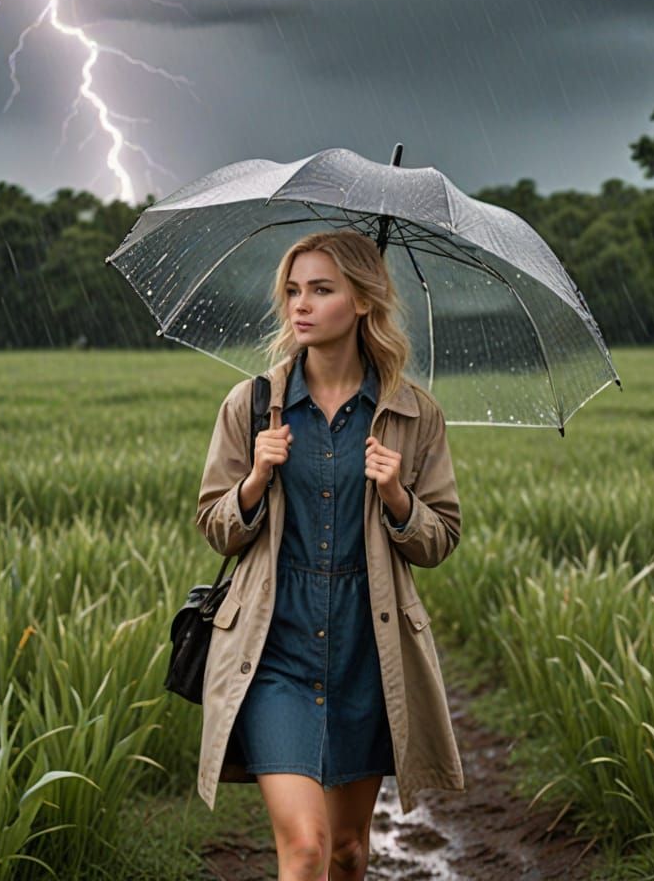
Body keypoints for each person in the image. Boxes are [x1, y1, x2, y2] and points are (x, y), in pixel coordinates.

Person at [194, 229, 465, 881]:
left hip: (365, 656)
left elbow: (441, 537)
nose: (300, 305)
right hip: (273, 652)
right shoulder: (252, 405)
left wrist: (398, 496)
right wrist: (255, 481)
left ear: (363, 302)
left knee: (346, 853)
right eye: (292, 290)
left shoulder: (412, 414)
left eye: (321, 289)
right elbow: (214, 523)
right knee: (307, 848)